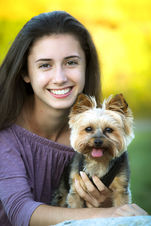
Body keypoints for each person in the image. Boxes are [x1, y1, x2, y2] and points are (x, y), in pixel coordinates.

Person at [0, 11, 148, 226]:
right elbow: (21, 212)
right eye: (44, 65)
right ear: (25, 73)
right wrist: (110, 214)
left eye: (71, 62)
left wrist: (106, 205)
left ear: (86, 67)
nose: (60, 78)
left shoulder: (96, 134)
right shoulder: (6, 133)